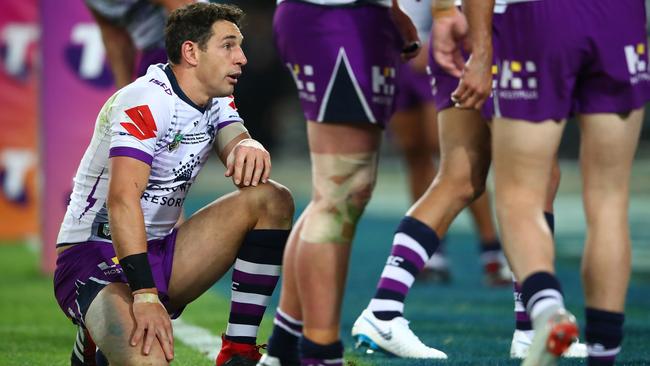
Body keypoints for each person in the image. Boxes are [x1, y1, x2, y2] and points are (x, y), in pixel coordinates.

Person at [53, 4, 294, 366]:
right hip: (94, 257)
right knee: (150, 362)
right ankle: (93, 334)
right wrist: (146, 296)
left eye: (240, 46)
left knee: (271, 200)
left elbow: (234, 139)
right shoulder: (147, 100)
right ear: (191, 52)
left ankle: (238, 354)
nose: (242, 58)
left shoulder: (215, 96)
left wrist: (248, 144)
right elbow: (122, 201)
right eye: (228, 45)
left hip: (160, 252)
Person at [350, 0, 585, 359]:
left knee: (459, 178)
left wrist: (445, 13)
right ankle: (532, 325)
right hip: (498, 29)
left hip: (463, 27)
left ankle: (383, 309)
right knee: (536, 180)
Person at [437, 0, 650, 365]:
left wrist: (479, 45)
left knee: (520, 197)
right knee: (610, 201)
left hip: (536, 18)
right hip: (621, 17)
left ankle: (548, 312)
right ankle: (604, 356)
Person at [257, 0, 421, 364]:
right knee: (340, 195)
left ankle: (286, 347)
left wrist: (392, 10)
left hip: (343, 16)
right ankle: (320, 350)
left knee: (339, 195)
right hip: (337, 17)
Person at [388, 0, 510, 286]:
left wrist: (429, 36)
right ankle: (434, 251)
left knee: (457, 158)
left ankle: (491, 249)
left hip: (440, 44)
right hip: (395, 50)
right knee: (413, 152)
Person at [84, 0, 201, 88]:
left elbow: (184, 10)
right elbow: (115, 38)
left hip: (191, 37)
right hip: (151, 51)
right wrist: (123, 94)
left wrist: (196, 65)